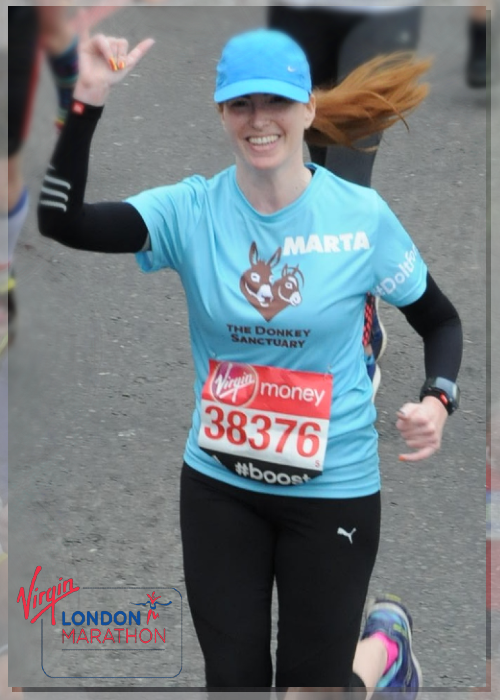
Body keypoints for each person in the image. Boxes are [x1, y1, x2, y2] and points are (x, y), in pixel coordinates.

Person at [37, 26, 463, 694]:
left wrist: (438, 401)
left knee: (309, 691)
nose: (259, 120)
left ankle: (384, 650)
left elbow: (440, 320)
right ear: (222, 115)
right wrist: (86, 98)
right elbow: (62, 222)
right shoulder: (192, 211)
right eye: (240, 105)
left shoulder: (361, 219)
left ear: (308, 111)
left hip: (332, 488)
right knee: (234, 684)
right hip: (219, 486)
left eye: (276, 103)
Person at [268, 3, 424, 396]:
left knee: (344, 193)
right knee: (316, 167)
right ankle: (357, 316)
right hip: (298, 13)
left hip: (382, 14)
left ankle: (357, 353)